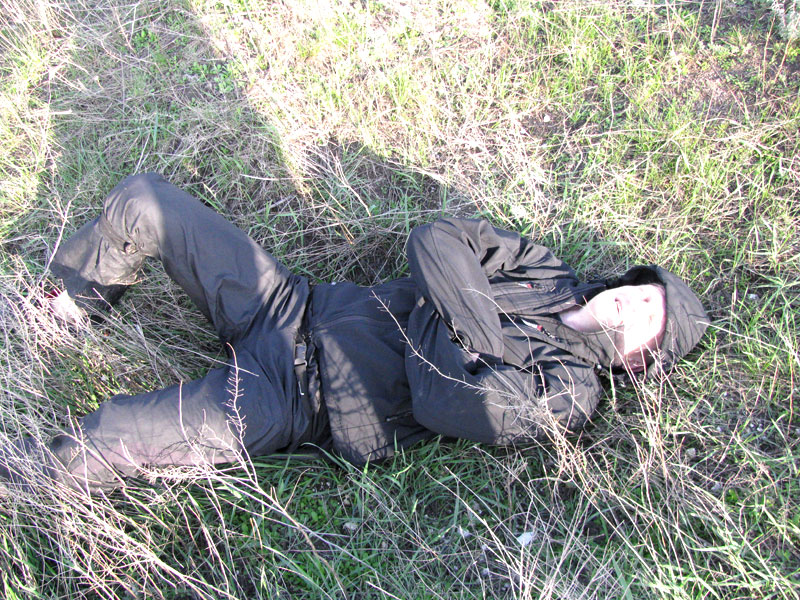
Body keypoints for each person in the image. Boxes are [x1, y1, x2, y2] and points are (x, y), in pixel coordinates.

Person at [1, 173, 709, 494]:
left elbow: (451, 402)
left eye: (652, 321)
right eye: (645, 293)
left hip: (297, 399)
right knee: (144, 201)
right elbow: (437, 235)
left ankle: (18, 479)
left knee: (113, 433)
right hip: (290, 304)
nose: (634, 306)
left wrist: (444, 308)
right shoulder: (545, 271)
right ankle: (69, 309)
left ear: (639, 361)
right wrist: (472, 339)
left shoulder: (569, 392)